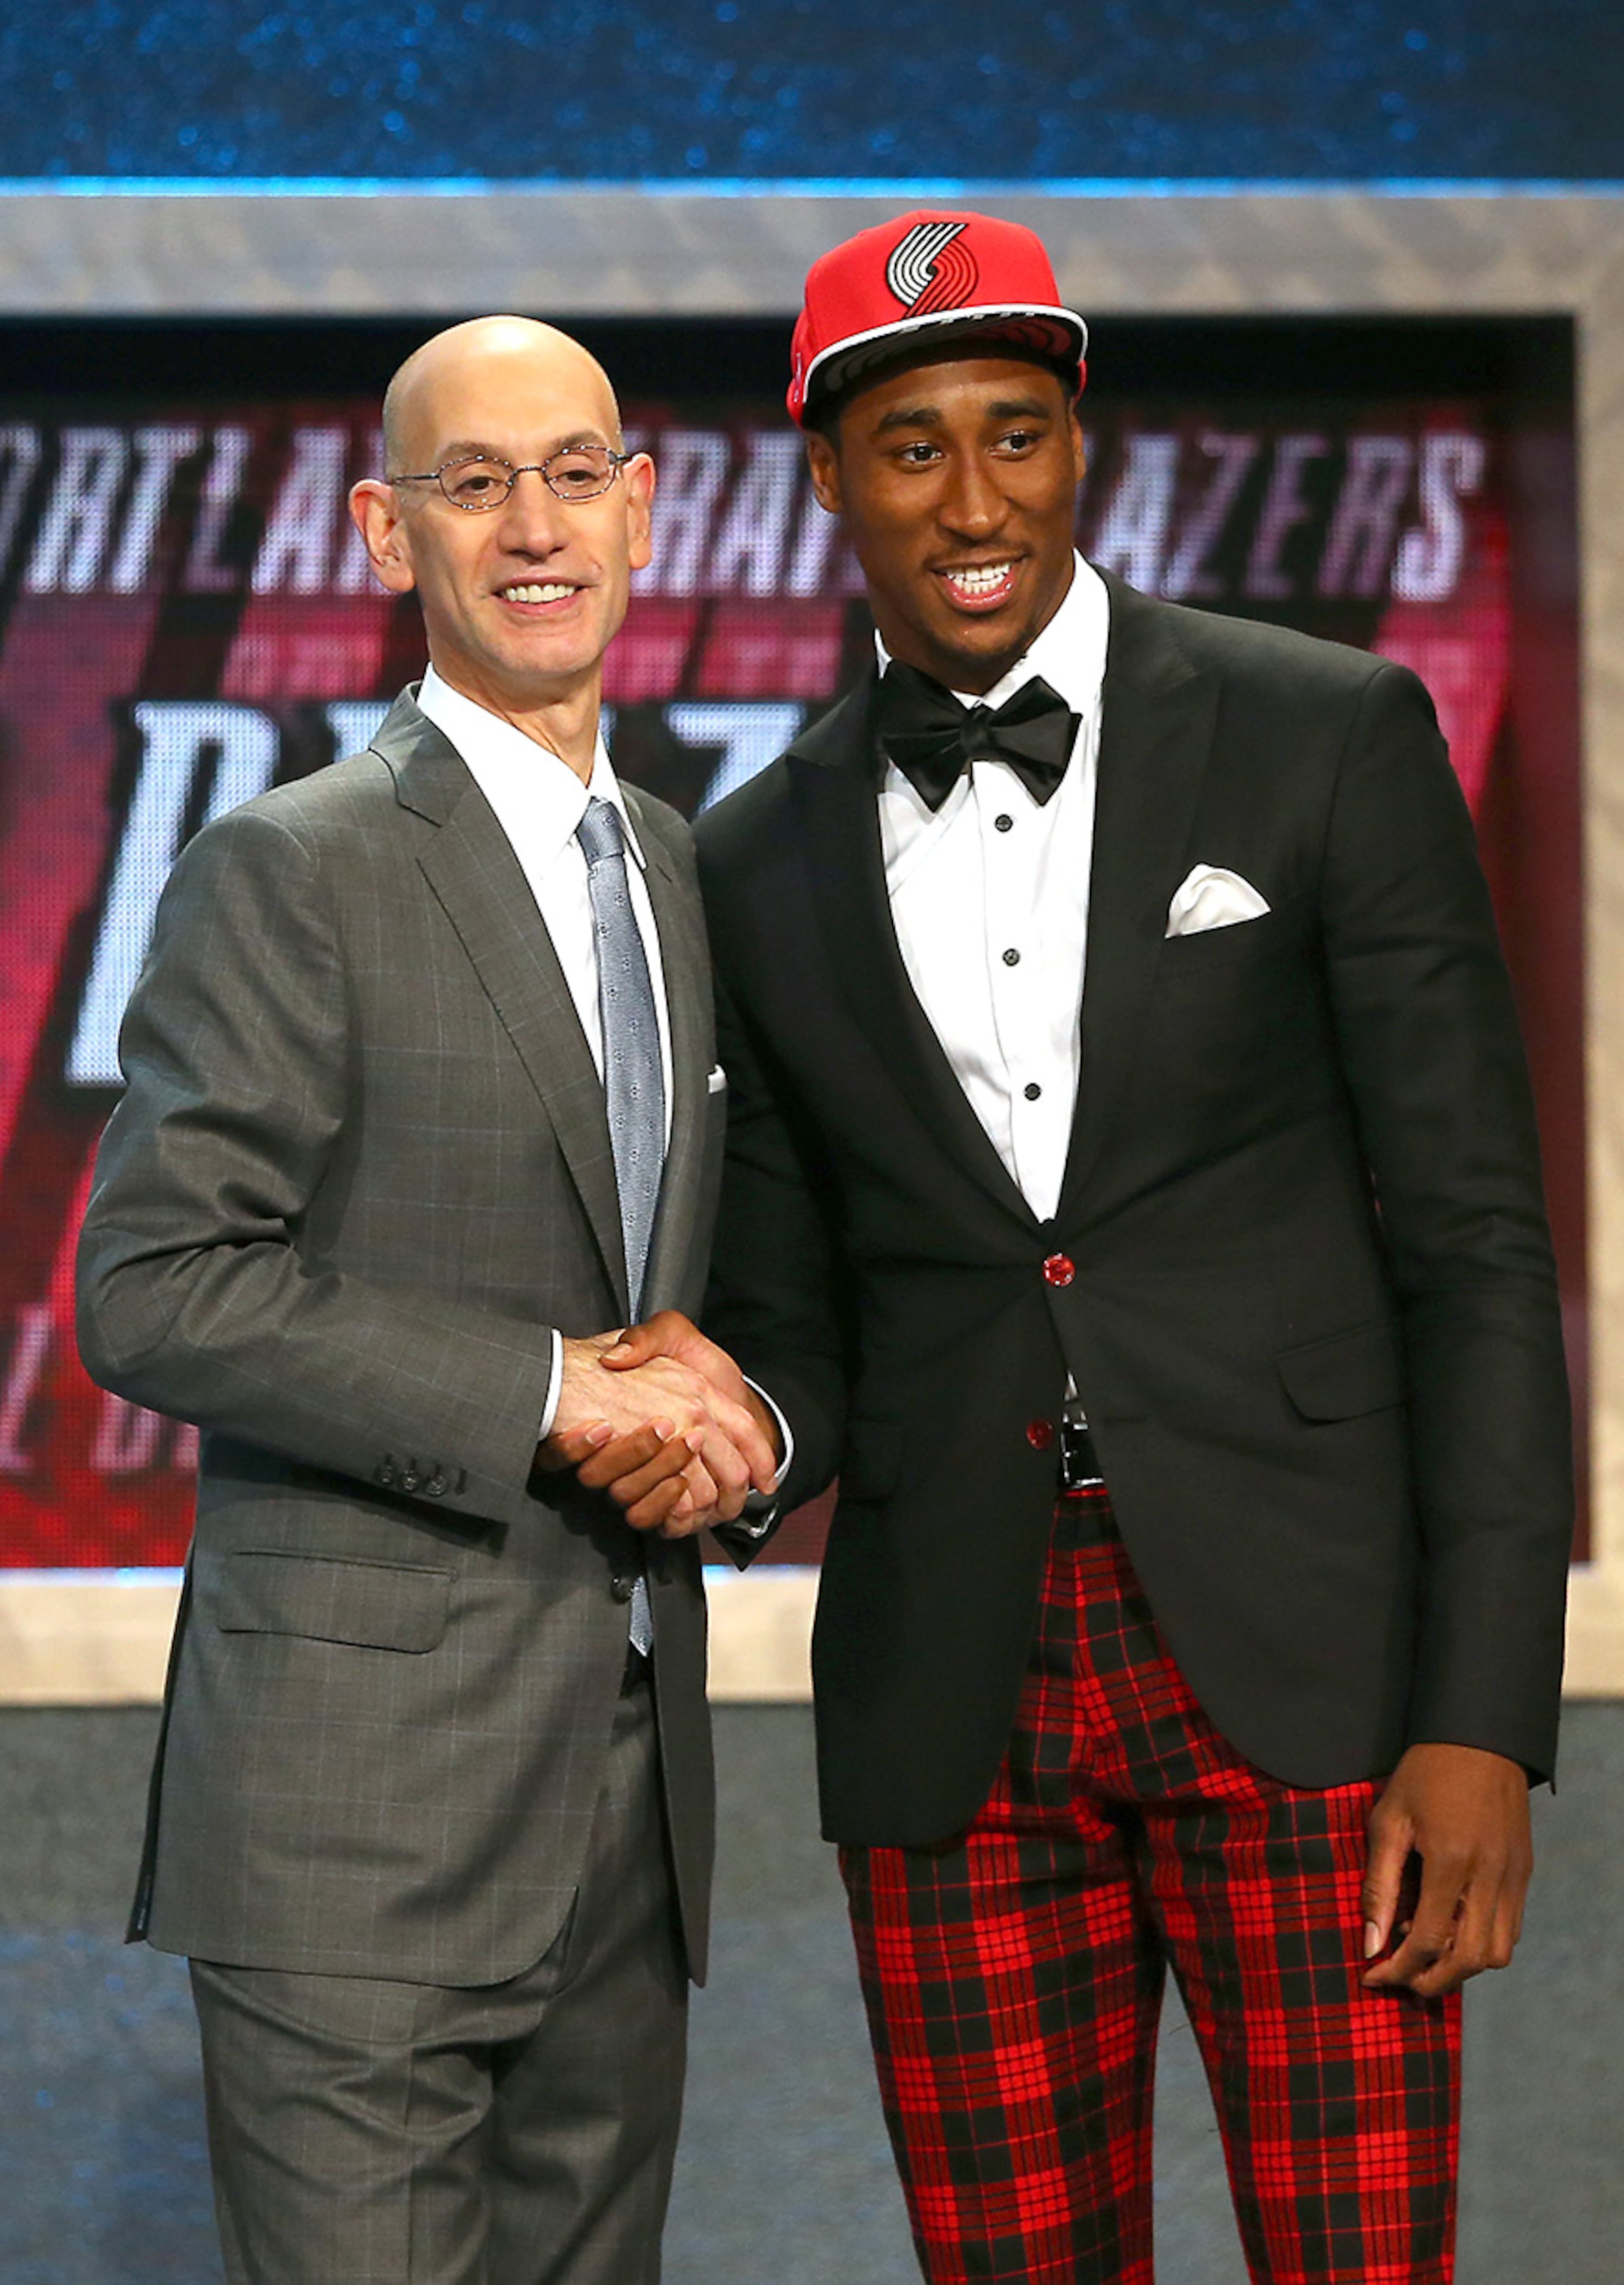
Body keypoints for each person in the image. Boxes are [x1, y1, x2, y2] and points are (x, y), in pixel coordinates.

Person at [618, 212, 1576, 2283]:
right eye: (913, 448)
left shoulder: (1326, 729)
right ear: (827, 478)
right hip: (953, 1693)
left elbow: (1481, 1245)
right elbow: (799, 1310)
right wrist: (728, 1431)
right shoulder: (751, 856)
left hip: (1312, 1670)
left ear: (1083, 446)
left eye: (1018, 435)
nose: (975, 501)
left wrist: (1486, 1711)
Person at [75, 314, 779, 2285]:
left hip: (626, 1814)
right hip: (355, 1822)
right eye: (474, 484)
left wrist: (731, 1429)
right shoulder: (289, 864)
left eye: (574, 473)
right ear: (389, 534)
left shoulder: (681, 867)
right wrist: (554, 1390)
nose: (533, 525)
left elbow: (686, 1293)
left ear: (644, 510)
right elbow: (157, 1283)